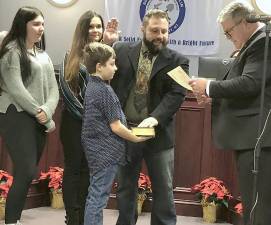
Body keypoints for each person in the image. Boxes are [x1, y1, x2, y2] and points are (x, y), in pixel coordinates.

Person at [189, 1, 271, 225]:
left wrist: (208, 86)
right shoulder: (250, 44)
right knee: (253, 200)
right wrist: (213, 94)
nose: (228, 37)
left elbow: (249, 84)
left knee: (258, 203)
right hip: (249, 137)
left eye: (228, 32)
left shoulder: (263, 42)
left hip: (257, 137)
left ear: (244, 22)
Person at [111, 9, 189, 225]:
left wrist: (154, 118)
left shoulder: (178, 60)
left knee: (163, 189)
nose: (160, 35)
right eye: (155, 30)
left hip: (158, 133)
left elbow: (176, 95)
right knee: (126, 187)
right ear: (143, 29)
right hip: (126, 132)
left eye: (164, 31)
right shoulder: (121, 50)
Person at [58, 10, 119, 225]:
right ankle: (72, 217)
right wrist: (90, 116)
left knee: (89, 169)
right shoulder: (71, 55)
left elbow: (108, 88)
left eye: (98, 27)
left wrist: (111, 45)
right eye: (91, 26)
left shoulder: (104, 56)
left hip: (95, 126)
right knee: (74, 168)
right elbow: (66, 92)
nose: (95, 30)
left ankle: (84, 217)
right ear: (83, 29)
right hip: (74, 123)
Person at [0, 6, 59, 225]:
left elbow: (54, 89)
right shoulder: (11, 52)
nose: (41, 28)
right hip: (15, 114)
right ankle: (12, 221)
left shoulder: (43, 55)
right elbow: (16, 89)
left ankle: (13, 218)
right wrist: (40, 112)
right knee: (26, 170)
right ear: (22, 24)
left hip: (38, 118)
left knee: (27, 172)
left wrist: (47, 112)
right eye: (35, 23)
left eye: (43, 24)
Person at [81, 42, 150, 225]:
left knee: (96, 195)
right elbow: (116, 126)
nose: (115, 68)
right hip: (106, 154)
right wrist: (136, 137)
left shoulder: (92, 86)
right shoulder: (104, 91)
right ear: (99, 66)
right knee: (98, 198)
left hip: (98, 152)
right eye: (112, 64)